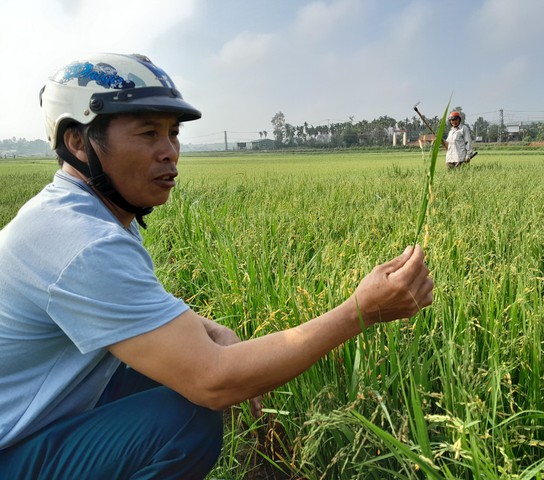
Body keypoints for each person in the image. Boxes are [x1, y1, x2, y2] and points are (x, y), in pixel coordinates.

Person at [0, 53, 434, 479]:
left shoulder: (85, 216)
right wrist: (360, 311)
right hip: (10, 449)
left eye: (173, 133)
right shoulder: (83, 241)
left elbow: (130, 309)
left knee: (162, 371)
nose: (169, 152)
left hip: (34, 419)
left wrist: (204, 327)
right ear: (78, 141)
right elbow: (214, 381)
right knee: (186, 420)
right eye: (148, 133)